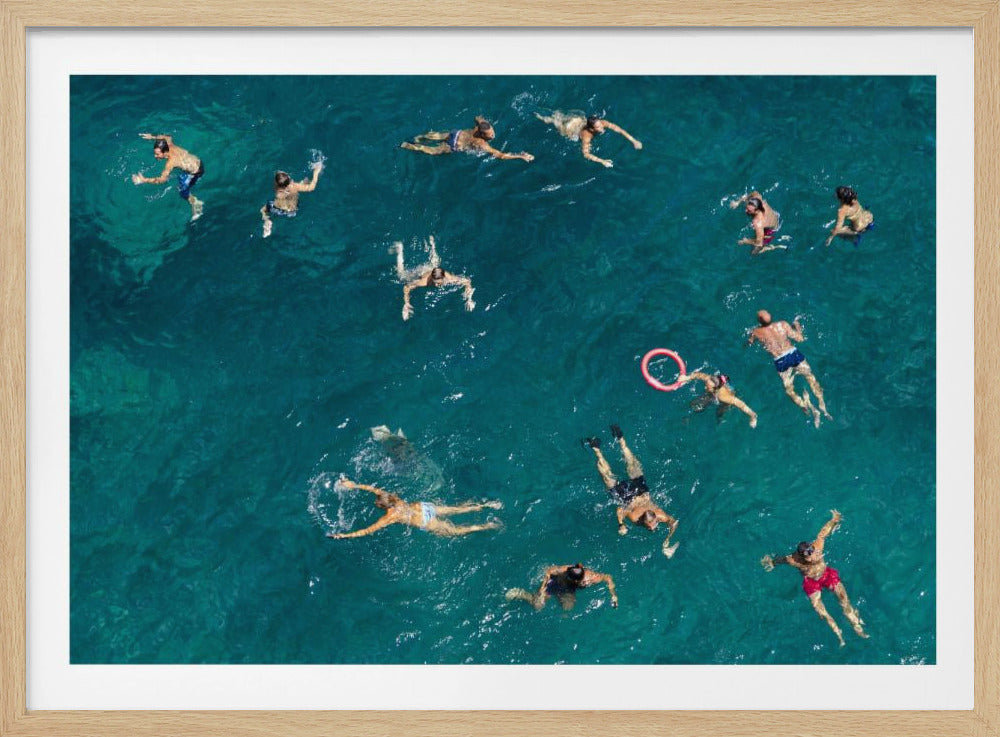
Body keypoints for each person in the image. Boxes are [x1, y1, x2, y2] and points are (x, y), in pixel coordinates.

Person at [761, 509, 869, 647]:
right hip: (811, 582)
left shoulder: (817, 546)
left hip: (826, 575)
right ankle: (838, 632)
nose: (812, 556)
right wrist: (771, 562)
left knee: (843, 599)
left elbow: (823, 533)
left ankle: (856, 625)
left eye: (812, 551)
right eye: (808, 555)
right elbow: (781, 560)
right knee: (819, 610)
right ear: (802, 556)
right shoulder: (793, 560)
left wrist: (834, 520)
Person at [583, 424, 679, 557]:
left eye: (652, 524)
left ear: (656, 519)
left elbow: (674, 523)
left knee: (631, 465)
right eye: (649, 525)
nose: (651, 528)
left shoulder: (660, 515)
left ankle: (608, 443)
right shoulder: (635, 518)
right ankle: (599, 448)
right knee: (608, 477)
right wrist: (621, 524)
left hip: (642, 492)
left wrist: (668, 539)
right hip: (627, 497)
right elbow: (620, 510)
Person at [327, 478, 502, 539]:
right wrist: (353, 485)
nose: (376, 503)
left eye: (377, 504)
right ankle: (487, 505)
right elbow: (373, 489)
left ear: (384, 507)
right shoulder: (392, 497)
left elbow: (366, 530)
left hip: (425, 520)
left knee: (455, 531)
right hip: (424, 506)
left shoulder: (389, 516)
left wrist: (344, 535)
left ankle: (486, 526)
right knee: (456, 509)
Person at [748, 309, 831, 427]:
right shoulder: (783, 324)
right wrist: (797, 326)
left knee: (789, 389)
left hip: (780, 361)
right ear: (770, 316)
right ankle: (822, 406)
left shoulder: (756, 332)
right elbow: (800, 339)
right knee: (810, 378)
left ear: (759, 321)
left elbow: (749, 343)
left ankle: (805, 407)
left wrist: (750, 340)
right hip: (793, 354)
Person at [393, 237, 475, 320]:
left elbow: (467, 281)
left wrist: (469, 299)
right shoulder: (424, 282)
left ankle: (432, 244)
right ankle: (400, 251)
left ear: (443, 278)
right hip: (422, 271)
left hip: (434, 269)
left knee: (436, 264)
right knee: (401, 276)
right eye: (434, 282)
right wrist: (406, 304)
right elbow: (407, 287)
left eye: (438, 283)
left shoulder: (449, 278)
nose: (436, 284)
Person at [131, 133, 204, 221]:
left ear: (165, 152)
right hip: (197, 161)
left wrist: (144, 180)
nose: (155, 156)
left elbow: (162, 180)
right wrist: (153, 137)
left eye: (157, 154)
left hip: (196, 172)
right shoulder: (169, 144)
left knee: (182, 190)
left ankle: (196, 203)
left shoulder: (170, 162)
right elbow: (168, 137)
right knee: (181, 177)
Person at [401, 115, 534, 162]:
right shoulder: (482, 144)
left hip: (456, 133)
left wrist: (478, 119)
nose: (493, 135)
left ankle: (419, 138)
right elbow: (501, 155)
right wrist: (520, 156)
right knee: (431, 150)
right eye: (490, 135)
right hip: (454, 145)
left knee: (433, 135)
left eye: (492, 132)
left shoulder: (480, 125)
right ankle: (409, 145)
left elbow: (477, 117)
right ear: (482, 135)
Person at [534, 111, 642, 168]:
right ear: (591, 128)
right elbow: (585, 154)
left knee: (560, 116)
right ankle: (539, 116)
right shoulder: (587, 136)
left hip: (578, 120)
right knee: (554, 122)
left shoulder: (603, 123)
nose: (602, 128)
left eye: (600, 125)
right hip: (570, 129)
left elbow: (619, 130)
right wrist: (602, 161)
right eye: (598, 127)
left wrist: (633, 140)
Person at [505, 563, 618, 611]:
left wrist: (613, 595)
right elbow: (549, 570)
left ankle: (559, 599)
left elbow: (608, 578)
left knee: (568, 608)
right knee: (538, 605)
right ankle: (521, 594)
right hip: (555, 583)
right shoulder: (566, 569)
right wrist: (542, 590)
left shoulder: (591, 578)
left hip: (568, 590)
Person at [260, 162, 323, 238]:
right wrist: (315, 173)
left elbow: (283, 187)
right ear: (289, 179)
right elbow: (311, 188)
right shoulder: (294, 186)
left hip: (277, 209)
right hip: (292, 212)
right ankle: (306, 180)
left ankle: (267, 221)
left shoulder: (277, 190)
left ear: (276, 184)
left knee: (263, 210)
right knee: (305, 181)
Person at [678, 371, 758, 428]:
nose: (705, 387)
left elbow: (741, 405)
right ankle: (688, 417)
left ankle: (720, 420)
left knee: (719, 413)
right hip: (713, 393)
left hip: (725, 402)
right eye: (706, 384)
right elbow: (698, 375)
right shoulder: (709, 379)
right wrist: (687, 377)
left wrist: (753, 417)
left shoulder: (723, 397)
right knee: (695, 404)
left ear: (715, 388)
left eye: (708, 387)